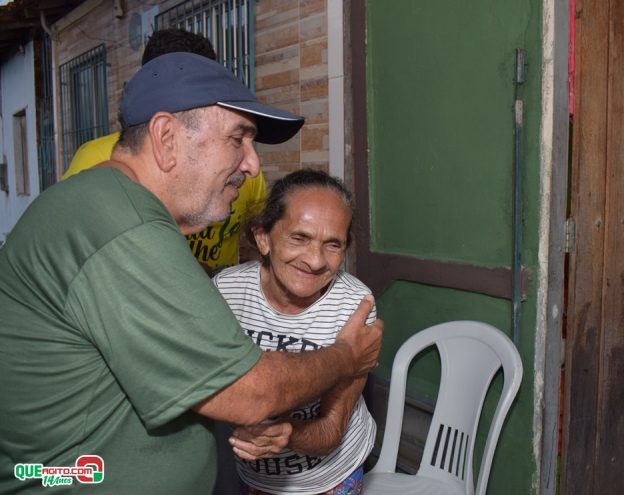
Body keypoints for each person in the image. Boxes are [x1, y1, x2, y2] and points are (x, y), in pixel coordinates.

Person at [0, 52, 383, 494]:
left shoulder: (98, 203)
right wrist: (345, 356)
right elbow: (249, 391)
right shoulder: (124, 226)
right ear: (166, 137)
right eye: (238, 139)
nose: (252, 164)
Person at [212, 170, 375, 495]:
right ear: (263, 237)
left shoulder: (354, 307)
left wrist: (285, 433)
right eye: (299, 238)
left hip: (331, 476)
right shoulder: (226, 292)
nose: (315, 261)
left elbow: (330, 431)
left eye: (333, 245)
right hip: (254, 475)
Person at [62, 28, 267, 274]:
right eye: (235, 138)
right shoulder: (98, 162)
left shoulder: (242, 171)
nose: (251, 165)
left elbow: (254, 244)